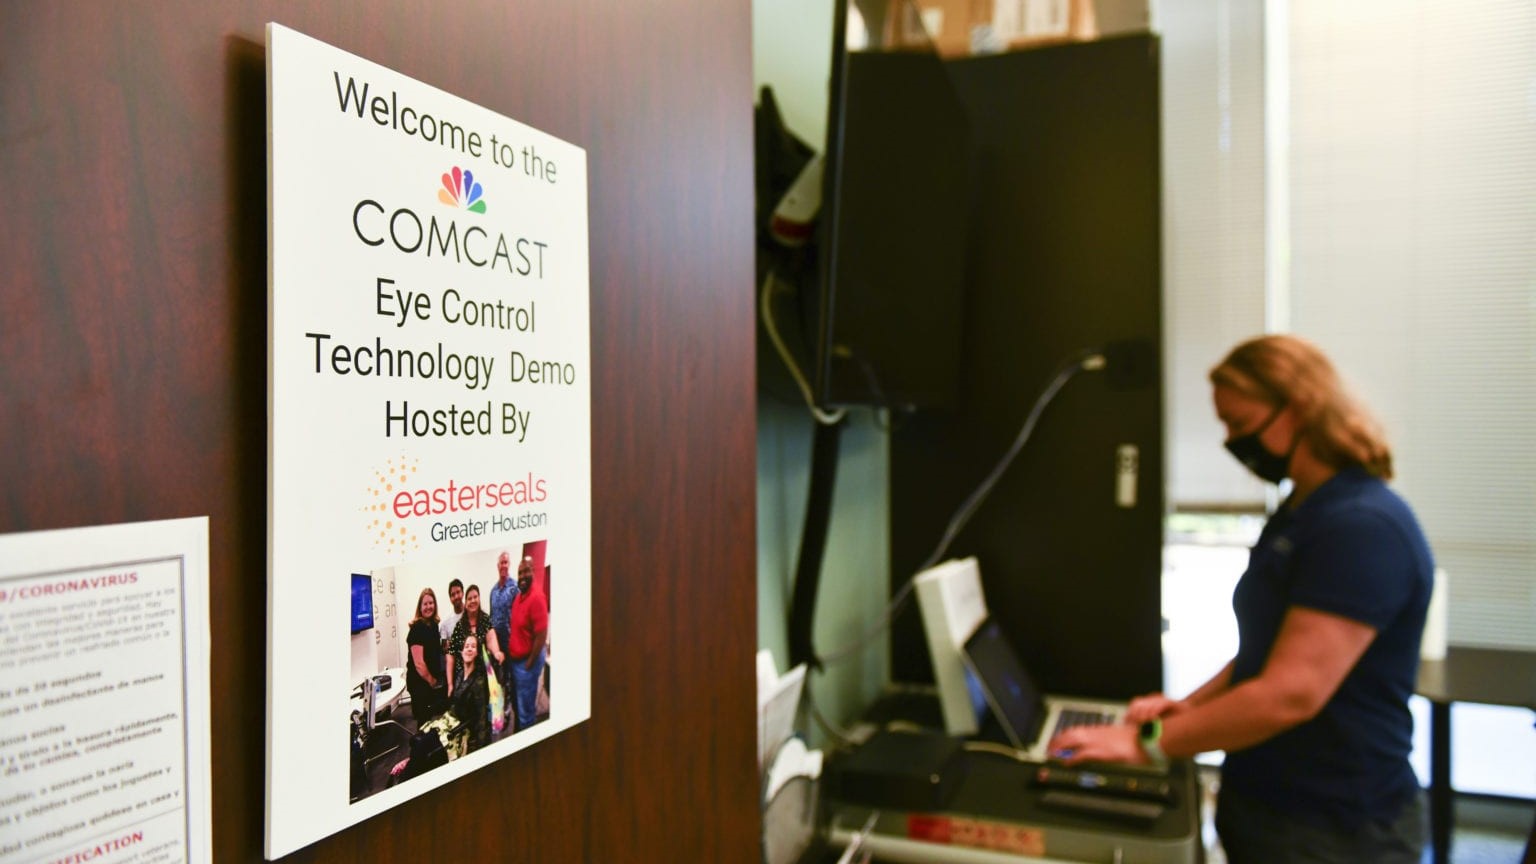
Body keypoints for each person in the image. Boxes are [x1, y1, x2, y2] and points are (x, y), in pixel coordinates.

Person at [1049, 334, 1433, 864]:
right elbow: (1266, 653)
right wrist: (1186, 711)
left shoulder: (1362, 527)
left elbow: (1289, 692)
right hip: (1267, 800)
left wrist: (1148, 745)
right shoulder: (1302, 509)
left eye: (1238, 423)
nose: (1232, 441)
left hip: (1334, 826)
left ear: (1298, 409)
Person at [508, 556, 549, 731]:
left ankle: (528, 745)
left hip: (526, 663)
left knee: (526, 713)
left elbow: (541, 635)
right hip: (516, 661)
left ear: (533, 571)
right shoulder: (519, 597)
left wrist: (529, 664)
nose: (522, 576)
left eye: (526, 571)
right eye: (520, 572)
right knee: (520, 705)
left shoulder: (537, 598)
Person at [446, 584, 504, 692]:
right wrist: (450, 684)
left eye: (475, 597)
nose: (473, 600)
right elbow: (451, 654)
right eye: (469, 598)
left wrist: (496, 652)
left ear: (479, 598)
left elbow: (491, 638)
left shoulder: (485, 619)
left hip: (482, 676)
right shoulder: (459, 626)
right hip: (464, 677)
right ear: (466, 603)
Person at [404, 588, 447, 724]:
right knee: (423, 722)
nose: (429, 607)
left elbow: (433, 650)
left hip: (429, 681)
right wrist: (433, 681)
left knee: (431, 718)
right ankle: (421, 744)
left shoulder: (433, 625)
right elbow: (419, 664)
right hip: (419, 683)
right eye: (425, 604)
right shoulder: (417, 629)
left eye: (431, 603)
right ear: (420, 607)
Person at [486, 551, 519, 727]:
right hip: (496, 645)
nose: (504, 565)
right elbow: (491, 618)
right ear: (497, 566)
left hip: (511, 642)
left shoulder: (515, 588)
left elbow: (520, 616)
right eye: (501, 563)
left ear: (509, 564)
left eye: (506, 562)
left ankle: (507, 711)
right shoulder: (492, 591)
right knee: (497, 680)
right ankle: (497, 712)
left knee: (509, 679)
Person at [448, 634, 491, 752]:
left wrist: (481, 750)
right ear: (462, 651)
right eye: (466, 646)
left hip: (467, 733)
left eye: (473, 646)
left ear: (477, 653)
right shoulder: (460, 674)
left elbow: (482, 718)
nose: (469, 649)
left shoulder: (479, 681)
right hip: (453, 724)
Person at [438, 578, 464, 652]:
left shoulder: (472, 614)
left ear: (463, 593)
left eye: (458, 592)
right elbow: (444, 648)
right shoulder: (445, 623)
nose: (456, 597)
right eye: (453, 594)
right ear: (450, 598)